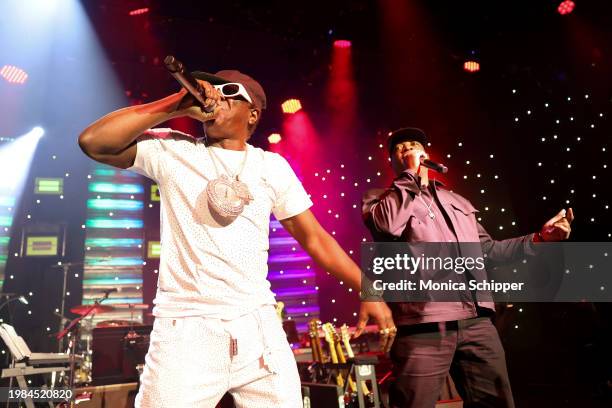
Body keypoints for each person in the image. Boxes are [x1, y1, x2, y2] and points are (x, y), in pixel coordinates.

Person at [78, 70, 396, 407]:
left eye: (229, 91)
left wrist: (369, 289)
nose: (216, 95)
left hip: (258, 328)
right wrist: (178, 103)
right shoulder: (173, 150)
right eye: (211, 89)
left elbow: (314, 237)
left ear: (253, 114)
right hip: (186, 331)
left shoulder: (270, 166)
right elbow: (94, 141)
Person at [361, 127, 574, 408]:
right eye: (400, 147)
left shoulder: (457, 201)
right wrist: (409, 177)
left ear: (426, 153)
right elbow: (387, 226)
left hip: (477, 323)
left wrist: (539, 238)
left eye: (415, 144)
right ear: (392, 160)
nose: (409, 148)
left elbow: (488, 251)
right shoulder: (379, 199)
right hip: (424, 324)